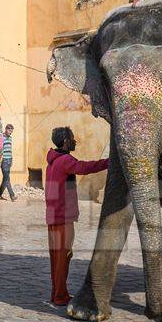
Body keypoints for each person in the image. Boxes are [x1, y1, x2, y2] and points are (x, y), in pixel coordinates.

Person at [45, 126, 108, 306]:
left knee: (56, 258)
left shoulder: (52, 161)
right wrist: (108, 162)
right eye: (72, 138)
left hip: (53, 216)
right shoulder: (65, 160)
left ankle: (56, 293)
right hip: (62, 217)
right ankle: (60, 296)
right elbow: (84, 167)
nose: (75, 141)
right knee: (63, 257)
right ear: (65, 142)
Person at [0, 124, 16, 201]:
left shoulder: (10, 138)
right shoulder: (1, 138)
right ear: (6, 129)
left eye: (12, 131)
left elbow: (10, 149)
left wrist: (11, 160)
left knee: (5, 178)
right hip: (3, 160)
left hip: (9, 160)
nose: (10, 133)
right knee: (7, 178)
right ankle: (12, 195)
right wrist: (0, 159)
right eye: (9, 131)